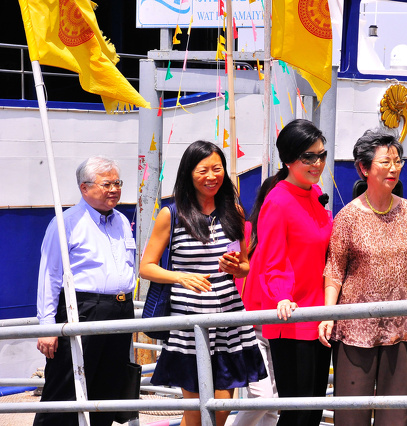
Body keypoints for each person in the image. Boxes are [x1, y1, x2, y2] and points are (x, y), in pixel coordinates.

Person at [139, 141, 266, 426]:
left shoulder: (234, 211)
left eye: (217, 169)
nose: (211, 176)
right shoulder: (171, 214)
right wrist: (180, 276)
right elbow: (146, 267)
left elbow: (244, 267)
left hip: (230, 320)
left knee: (222, 407)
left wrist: (236, 267)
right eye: (203, 170)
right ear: (189, 173)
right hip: (190, 324)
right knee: (196, 412)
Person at [318, 130, 407, 426]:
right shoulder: (348, 217)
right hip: (355, 329)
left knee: (394, 416)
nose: (394, 168)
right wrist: (328, 314)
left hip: (402, 328)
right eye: (385, 162)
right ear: (364, 168)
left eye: (397, 161)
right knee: (351, 415)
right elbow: (334, 270)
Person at [34, 156, 136, 426]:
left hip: (121, 310)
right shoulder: (66, 223)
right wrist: (47, 326)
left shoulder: (122, 221)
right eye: (106, 184)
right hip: (83, 308)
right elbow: (49, 275)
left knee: (108, 386)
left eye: (117, 183)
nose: (114, 189)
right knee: (66, 385)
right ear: (84, 187)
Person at [249, 119, 333, 426]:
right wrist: (282, 297)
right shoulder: (278, 201)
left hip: (320, 317)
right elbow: (273, 260)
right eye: (308, 157)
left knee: (313, 412)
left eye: (321, 155)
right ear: (288, 159)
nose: (317, 163)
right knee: (297, 414)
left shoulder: (315, 194)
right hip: (293, 318)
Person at [231, 176, 279, 426]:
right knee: (262, 397)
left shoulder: (290, 233)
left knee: (274, 402)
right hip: (250, 324)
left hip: (281, 324)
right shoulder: (247, 230)